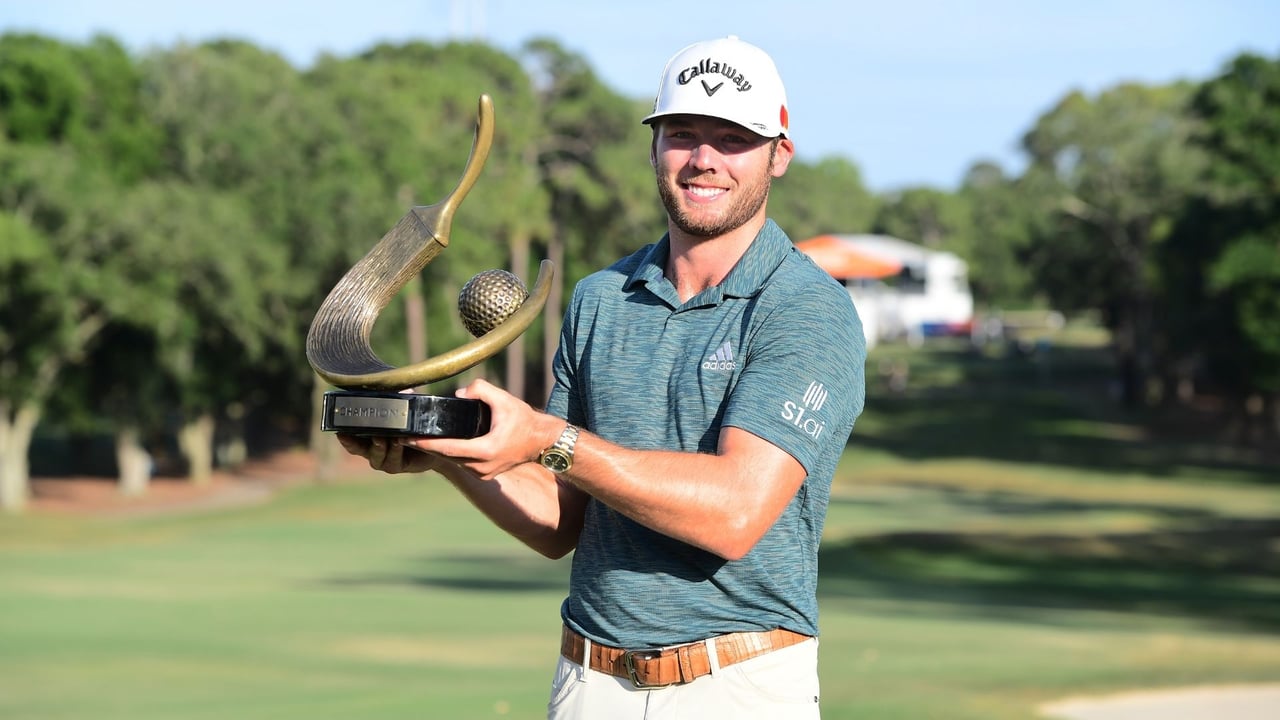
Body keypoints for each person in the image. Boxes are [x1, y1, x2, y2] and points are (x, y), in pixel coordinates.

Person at [339, 35, 866, 719]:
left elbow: (736, 511)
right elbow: (562, 517)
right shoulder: (600, 298)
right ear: (653, 146)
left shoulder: (807, 308)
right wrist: (446, 451)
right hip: (589, 682)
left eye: (732, 138)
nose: (704, 159)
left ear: (778, 154)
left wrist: (550, 437)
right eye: (682, 133)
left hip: (738, 682)